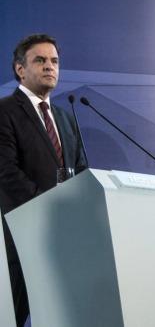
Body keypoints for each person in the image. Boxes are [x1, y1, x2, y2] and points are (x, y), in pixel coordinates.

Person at [0, 33, 87, 326]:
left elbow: (81, 170)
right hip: (20, 235)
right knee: (12, 315)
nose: (50, 66)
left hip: (65, 238)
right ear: (20, 69)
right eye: (40, 60)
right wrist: (46, 205)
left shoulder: (65, 116)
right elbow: (5, 172)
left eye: (54, 61)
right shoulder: (4, 112)